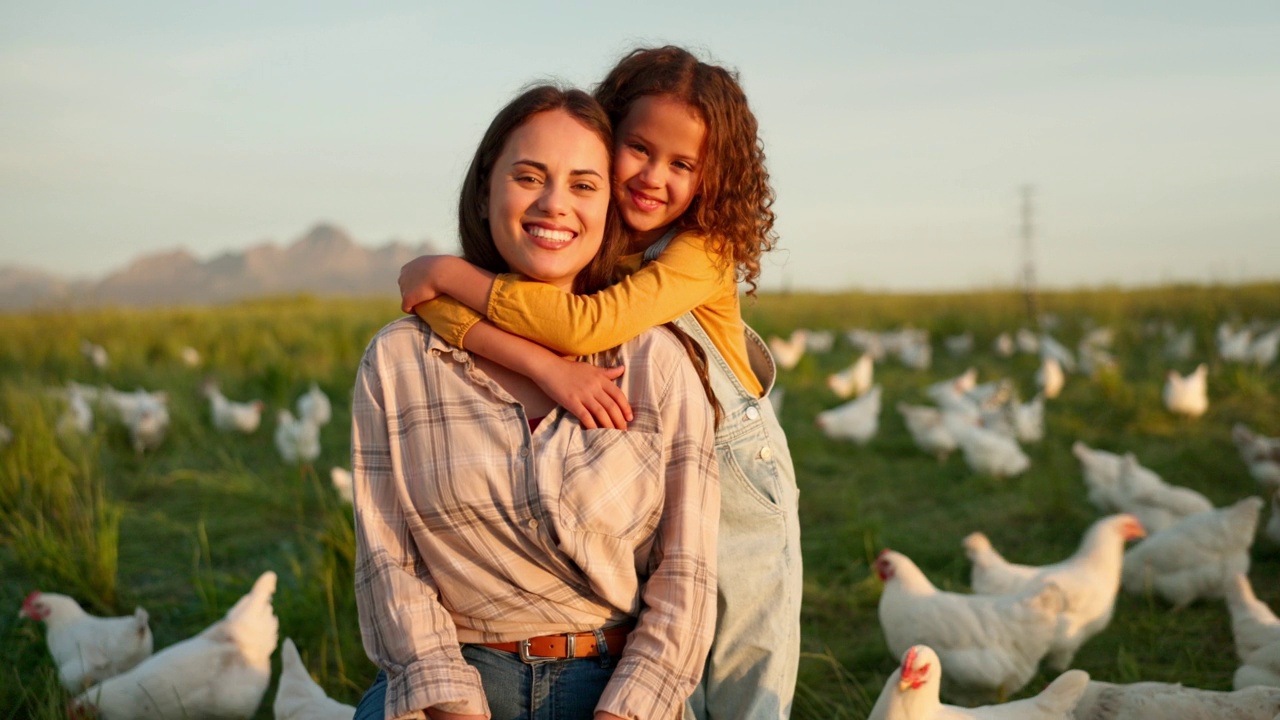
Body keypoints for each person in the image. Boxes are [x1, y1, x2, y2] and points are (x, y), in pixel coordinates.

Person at [399, 46, 801, 720]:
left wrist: (454, 276)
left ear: (714, 177)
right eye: (638, 149)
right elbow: (432, 306)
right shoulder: (593, 240)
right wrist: (530, 356)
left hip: (735, 485)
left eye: (683, 165)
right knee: (672, 676)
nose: (654, 177)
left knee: (740, 677)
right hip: (650, 473)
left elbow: (585, 325)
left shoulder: (702, 250)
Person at [352, 84, 719, 720]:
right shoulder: (402, 361)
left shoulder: (655, 364)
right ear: (485, 188)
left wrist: (624, 713)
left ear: (610, 205)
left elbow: (685, 578)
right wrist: (453, 704)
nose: (554, 204)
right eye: (528, 176)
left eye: (584, 184)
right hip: (457, 684)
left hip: (616, 689)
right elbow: (388, 564)